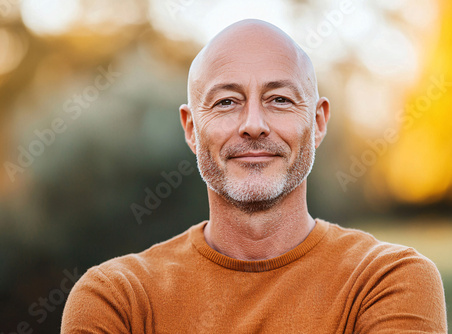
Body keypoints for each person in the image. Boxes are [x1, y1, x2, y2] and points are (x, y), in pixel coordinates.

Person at [61, 19, 447, 333]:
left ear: (317, 122)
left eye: (279, 99)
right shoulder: (117, 299)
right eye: (227, 102)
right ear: (192, 129)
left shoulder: (388, 280)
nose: (254, 125)